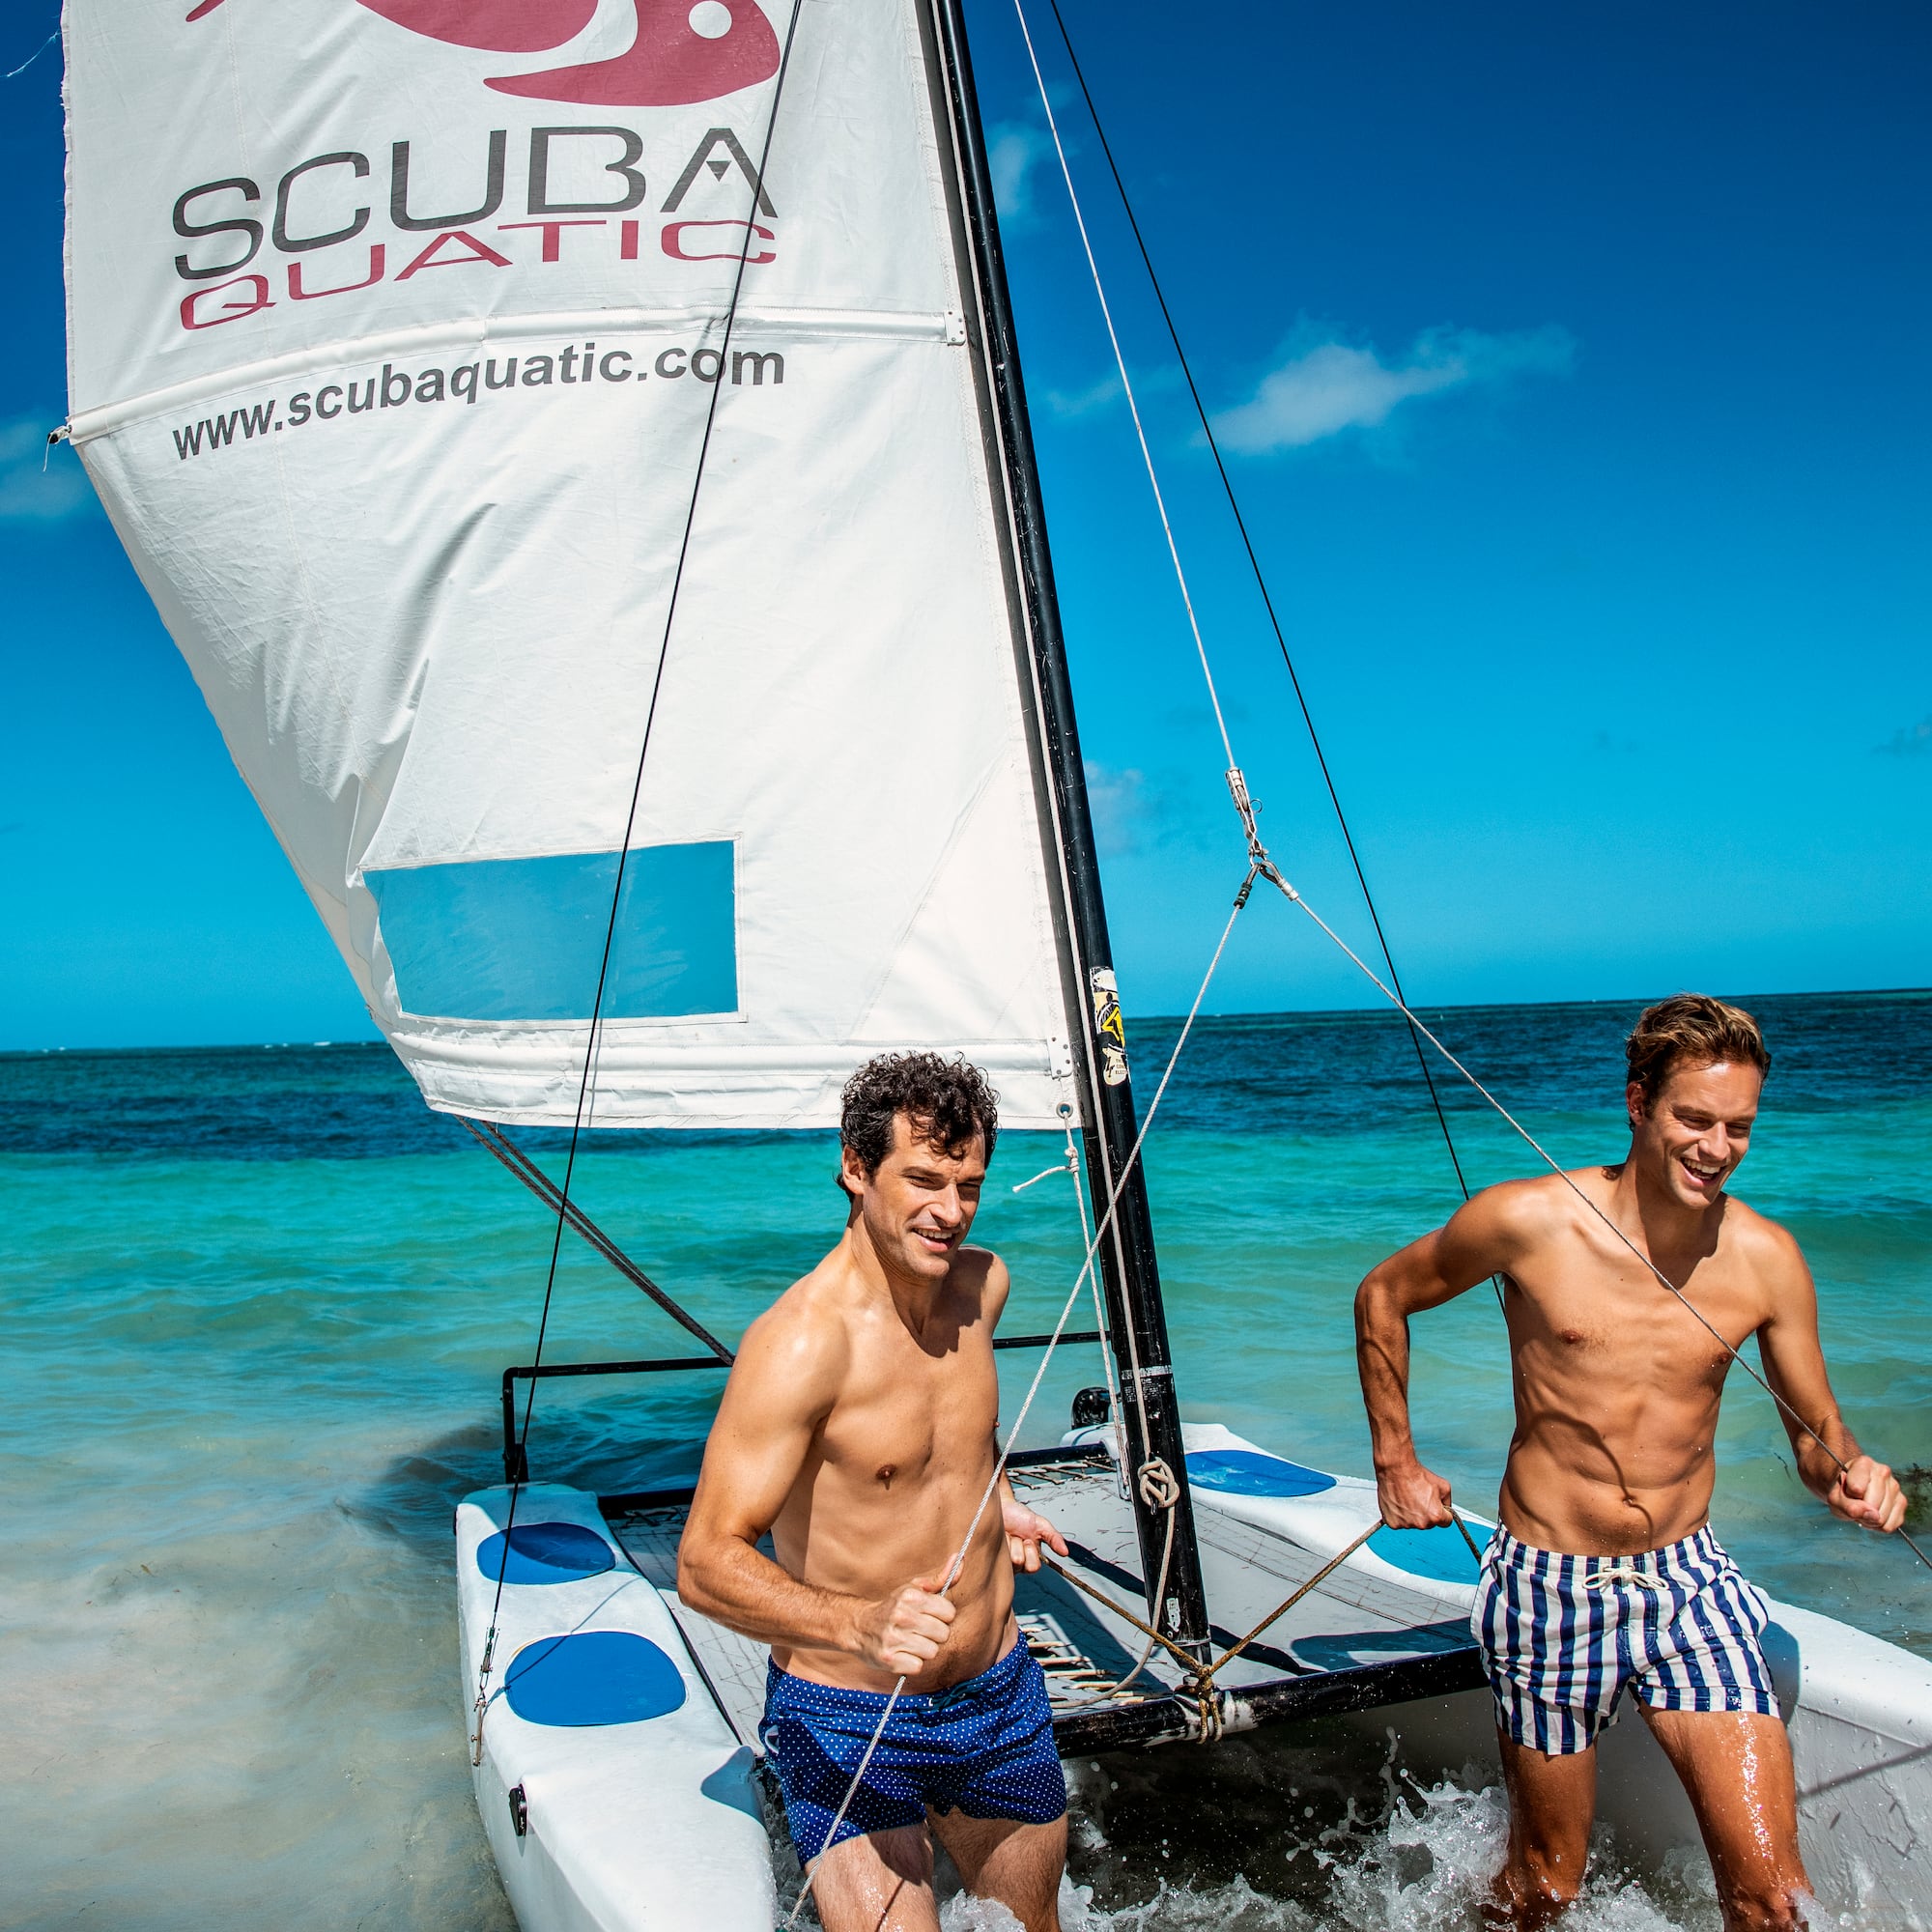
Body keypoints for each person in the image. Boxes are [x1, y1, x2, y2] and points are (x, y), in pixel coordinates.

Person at [1354, 993, 1906, 1932]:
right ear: (1638, 1103)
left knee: (1772, 1901)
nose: (1716, 1147)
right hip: (1547, 1586)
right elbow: (1383, 1294)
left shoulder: (1766, 1258)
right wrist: (1394, 1460)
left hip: (1688, 1584)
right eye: (1694, 1118)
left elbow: (1818, 1442)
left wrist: (1855, 1474)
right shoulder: (1527, 1219)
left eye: (1738, 1127)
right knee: (1544, 1889)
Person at [678, 1052, 1070, 1932]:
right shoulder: (800, 1345)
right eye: (923, 1180)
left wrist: (998, 1498)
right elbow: (703, 1562)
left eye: (969, 1186)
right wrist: (860, 1623)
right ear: (857, 1169)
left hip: (995, 1695)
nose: (951, 1212)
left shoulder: (983, 1286)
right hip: (849, 1714)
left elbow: (960, 1434)